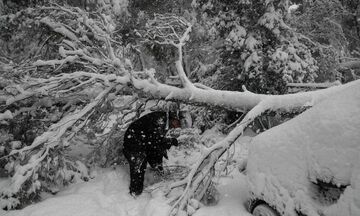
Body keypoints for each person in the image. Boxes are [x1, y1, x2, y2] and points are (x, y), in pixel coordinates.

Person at [122, 111, 180, 196]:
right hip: (133, 144)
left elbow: (155, 143)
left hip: (143, 143)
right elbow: (156, 140)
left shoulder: (165, 121)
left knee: (156, 153)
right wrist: (169, 141)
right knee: (139, 166)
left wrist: (158, 164)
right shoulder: (160, 119)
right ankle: (135, 194)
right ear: (174, 118)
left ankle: (158, 177)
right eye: (178, 123)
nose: (176, 127)